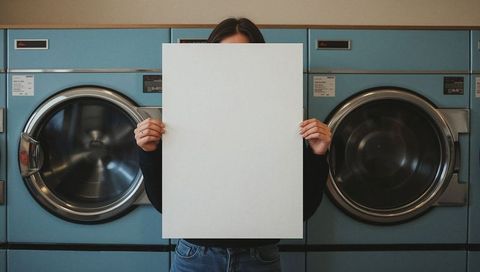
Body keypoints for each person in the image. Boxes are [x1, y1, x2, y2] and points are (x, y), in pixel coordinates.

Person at [134, 17, 331, 272]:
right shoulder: (188, 119)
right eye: (225, 59)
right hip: (195, 256)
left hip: (260, 257)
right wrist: (149, 152)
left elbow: (302, 211)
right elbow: (165, 206)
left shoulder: (280, 121)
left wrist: (317, 154)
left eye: (246, 59)